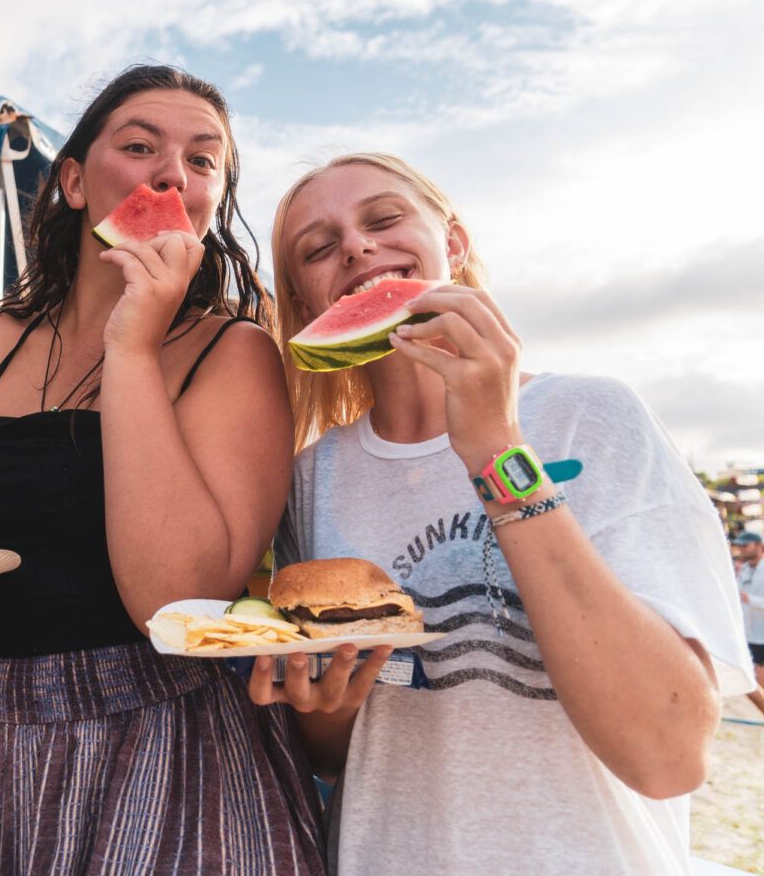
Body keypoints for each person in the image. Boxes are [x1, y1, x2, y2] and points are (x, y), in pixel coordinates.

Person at [0, 65, 326, 875]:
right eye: (141, 145)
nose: (172, 173)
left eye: (203, 160)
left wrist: (134, 345)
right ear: (73, 180)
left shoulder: (232, 352)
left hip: (168, 736)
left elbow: (178, 605)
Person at [252, 152, 751, 875]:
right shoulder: (311, 478)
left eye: (384, 218)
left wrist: (495, 450)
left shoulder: (593, 417)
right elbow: (336, 758)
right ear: (305, 305)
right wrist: (322, 710)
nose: (356, 246)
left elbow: (667, 756)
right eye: (318, 248)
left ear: (452, 244)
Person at [732, 531, 764, 716]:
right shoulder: (744, 569)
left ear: (759, 546)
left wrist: (749, 599)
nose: (742, 549)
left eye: (746, 545)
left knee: (758, 675)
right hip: (748, 631)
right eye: (740, 546)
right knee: (753, 674)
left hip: (762, 631)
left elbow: (746, 598)